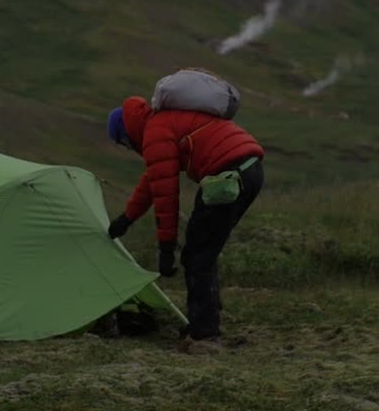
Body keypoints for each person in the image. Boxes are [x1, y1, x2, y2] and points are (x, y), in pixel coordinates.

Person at [104, 95, 264, 353]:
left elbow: (166, 194)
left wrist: (166, 249)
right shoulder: (161, 122)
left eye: (123, 142)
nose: (128, 147)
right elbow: (152, 182)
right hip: (248, 170)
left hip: (227, 174)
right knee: (203, 250)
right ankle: (205, 319)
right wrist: (126, 219)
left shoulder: (155, 131)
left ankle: (205, 336)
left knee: (198, 255)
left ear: (126, 131)